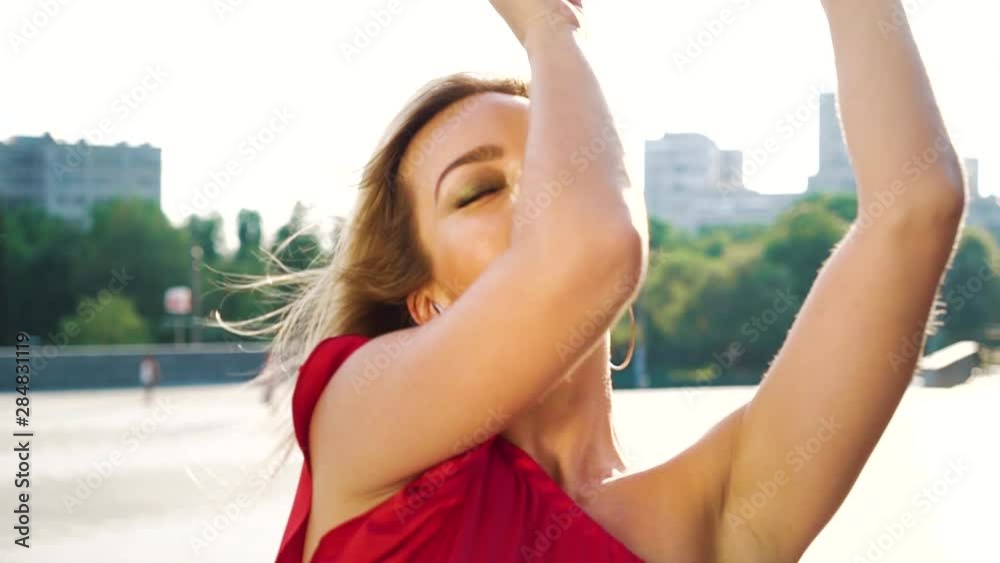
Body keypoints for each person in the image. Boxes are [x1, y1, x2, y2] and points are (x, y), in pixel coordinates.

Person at [264, 1, 968, 561]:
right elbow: (592, 245)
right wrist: (549, 23)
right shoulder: (358, 427)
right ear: (426, 302)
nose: (543, 191)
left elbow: (915, 207)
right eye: (479, 190)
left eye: (550, 162)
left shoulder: (716, 511)